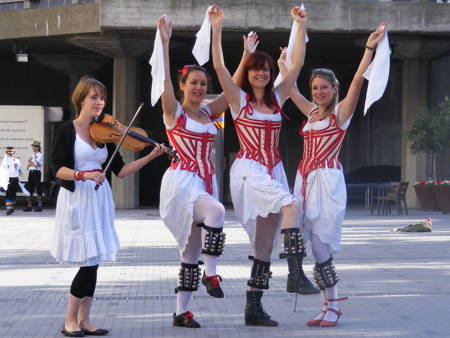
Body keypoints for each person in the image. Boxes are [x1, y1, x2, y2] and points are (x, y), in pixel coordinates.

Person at [278, 23, 387, 327]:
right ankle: (327, 305)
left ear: (333, 89)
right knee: (308, 240)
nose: (318, 92)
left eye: (324, 87)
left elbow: (356, 82)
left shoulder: (341, 113)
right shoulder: (311, 113)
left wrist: (368, 49)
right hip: (304, 179)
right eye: (315, 88)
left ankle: (334, 305)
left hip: (326, 181)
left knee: (320, 245)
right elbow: (292, 90)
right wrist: (284, 64)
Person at [210, 4, 312, 326]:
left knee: (264, 244)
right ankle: (295, 272)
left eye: (266, 69)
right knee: (292, 204)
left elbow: (295, 64)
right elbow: (219, 67)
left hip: (273, 169)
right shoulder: (238, 101)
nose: (262, 73)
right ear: (249, 72)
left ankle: (253, 307)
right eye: (256, 69)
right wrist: (216, 28)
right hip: (249, 169)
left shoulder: (278, 98)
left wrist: (299, 26)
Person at [157, 14, 258, 328]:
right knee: (216, 211)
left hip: (204, 182)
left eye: (203, 84)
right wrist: (163, 42)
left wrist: (235, 49)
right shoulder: (174, 112)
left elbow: (231, 90)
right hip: (183, 182)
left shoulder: (209, 112)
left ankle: (181, 312)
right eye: (194, 83)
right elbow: (162, 82)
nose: (199, 88)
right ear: (182, 86)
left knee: (190, 253)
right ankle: (211, 275)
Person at [51, 76, 166, 337]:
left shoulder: (105, 133)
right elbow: (57, 169)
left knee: (95, 261)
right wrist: (84, 175)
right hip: (78, 198)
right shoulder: (67, 131)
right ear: (81, 98)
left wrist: (150, 155)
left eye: (102, 98)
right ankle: (70, 319)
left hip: (100, 199)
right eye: (94, 97)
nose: (100, 102)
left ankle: (85, 319)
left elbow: (121, 171)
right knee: (88, 262)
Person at [23, 140, 44, 212]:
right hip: (31, 172)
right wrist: (31, 163)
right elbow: (27, 163)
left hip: (37, 172)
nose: (33, 148)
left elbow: (37, 164)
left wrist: (31, 163)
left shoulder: (40, 155)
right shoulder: (31, 154)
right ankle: (29, 206)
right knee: (30, 189)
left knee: (38, 188)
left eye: (35, 146)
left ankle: (40, 206)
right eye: (33, 146)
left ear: (38, 147)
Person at [1, 146, 22, 215]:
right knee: (8, 194)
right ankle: (9, 209)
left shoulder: (17, 160)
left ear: (13, 152)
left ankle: (11, 206)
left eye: (11, 152)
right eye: (8, 152)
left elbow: (19, 170)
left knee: (13, 195)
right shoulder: (5, 160)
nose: (10, 153)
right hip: (8, 179)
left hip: (15, 179)